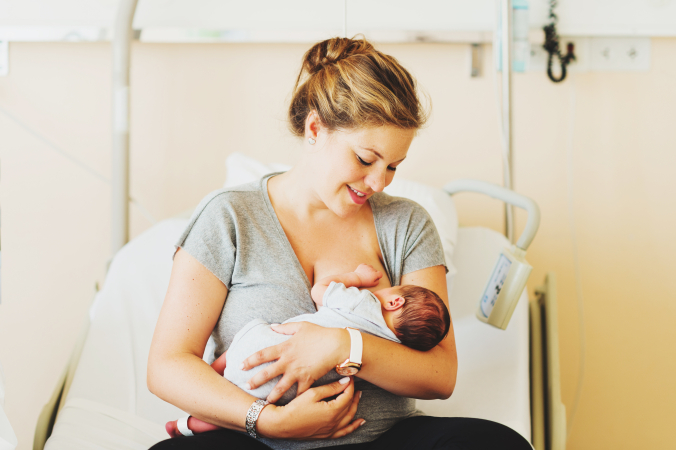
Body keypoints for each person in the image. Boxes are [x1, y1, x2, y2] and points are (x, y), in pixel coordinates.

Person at [147, 36, 531, 449]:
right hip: (259, 442)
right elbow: (168, 365)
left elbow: (440, 375)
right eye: (366, 159)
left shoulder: (406, 223)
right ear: (315, 128)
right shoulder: (230, 217)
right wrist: (268, 420)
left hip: (385, 439)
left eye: (393, 167)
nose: (378, 182)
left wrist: (341, 345)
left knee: (497, 444)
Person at [165, 263, 451, 438]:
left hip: (258, 350)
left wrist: (356, 277)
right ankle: (189, 424)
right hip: (288, 394)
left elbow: (321, 290)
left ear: (394, 303)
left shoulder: (364, 302)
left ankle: (215, 376)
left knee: (257, 331)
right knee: (251, 408)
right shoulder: (394, 347)